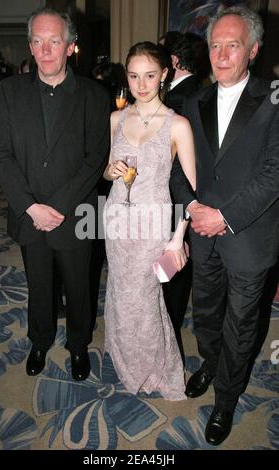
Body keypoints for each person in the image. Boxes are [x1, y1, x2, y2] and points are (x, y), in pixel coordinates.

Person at [170, 6, 279, 444]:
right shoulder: (193, 99)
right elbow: (178, 163)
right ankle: (210, 364)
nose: (221, 54)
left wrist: (225, 216)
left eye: (232, 45)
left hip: (248, 235)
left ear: (252, 50)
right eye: (215, 45)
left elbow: (274, 172)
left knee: (241, 325)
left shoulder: (274, 98)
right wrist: (192, 205)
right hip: (202, 232)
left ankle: (226, 400)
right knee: (208, 315)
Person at [0, 8, 110, 381]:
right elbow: (1, 154)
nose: (45, 49)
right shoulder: (9, 92)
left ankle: (78, 346)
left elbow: (95, 158)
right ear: (30, 45)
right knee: (38, 284)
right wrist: (30, 207)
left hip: (74, 214)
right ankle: (39, 341)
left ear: (70, 47)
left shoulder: (94, 94)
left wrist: (55, 207)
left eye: (54, 41)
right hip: (29, 214)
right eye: (38, 41)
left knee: (78, 287)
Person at [103, 42, 196, 399]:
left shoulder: (178, 125)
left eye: (150, 76)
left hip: (153, 225)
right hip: (116, 221)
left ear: (164, 76)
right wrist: (110, 172)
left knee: (144, 298)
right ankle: (127, 362)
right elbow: (108, 172)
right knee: (121, 294)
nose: (142, 85)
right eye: (134, 76)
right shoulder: (115, 118)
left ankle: (155, 369)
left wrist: (178, 236)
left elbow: (192, 189)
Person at [160, 32, 203, 348]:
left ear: (173, 61)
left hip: (175, 196)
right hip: (182, 197)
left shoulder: (181, 100)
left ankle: (167, 331)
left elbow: (177, 164)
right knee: (176, 268)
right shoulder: (197, 91)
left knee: (171, 268)